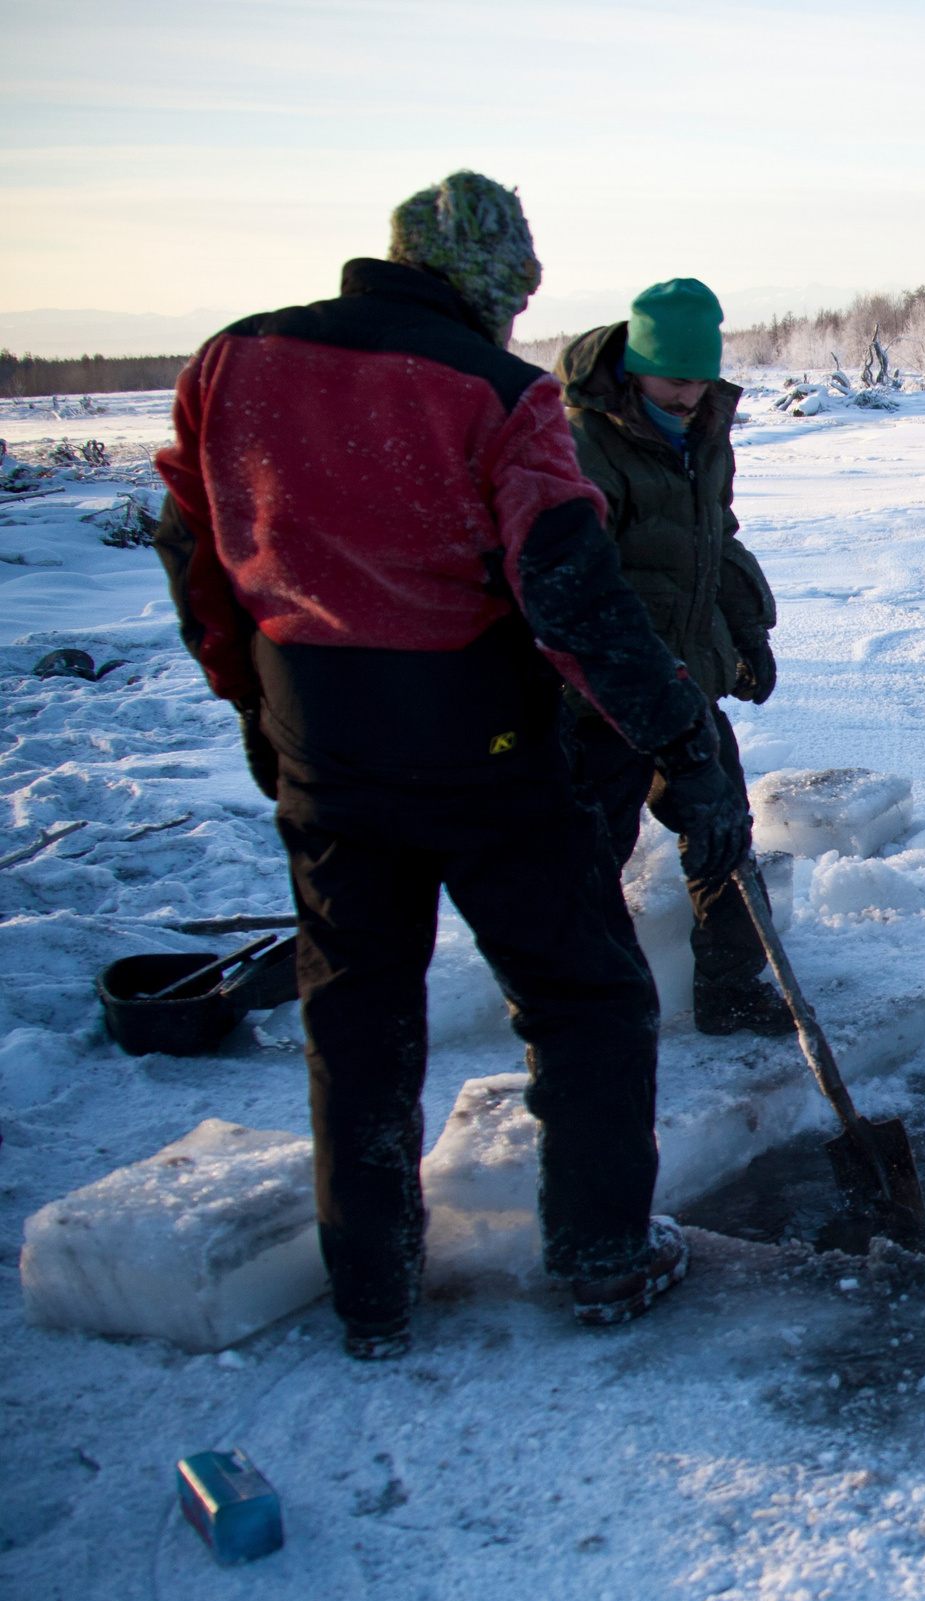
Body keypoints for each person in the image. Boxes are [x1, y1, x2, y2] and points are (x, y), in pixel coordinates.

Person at [153, 171, 753, 1358]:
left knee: (357, 1016)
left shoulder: (232, 361)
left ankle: (372, 1293)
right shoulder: (498, 392)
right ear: (492, 286)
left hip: (324, 744)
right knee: (587, 998)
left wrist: (255, 706)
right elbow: (573, 596)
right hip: (487, 755)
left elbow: (195, 548)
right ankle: (603, 1260)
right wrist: (679, 739)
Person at [553, 279, 791, 1037]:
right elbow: (576, 585)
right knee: (589, 856)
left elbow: (714, 537)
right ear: (636, 367)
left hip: (687, 681)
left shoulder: (706, 427)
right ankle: (588, 1022)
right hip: (603, 694)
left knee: (723, 828)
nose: (688, 395)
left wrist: (745, 629)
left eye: (700, 378)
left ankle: (731, 989)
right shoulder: (583, 444)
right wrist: (626, 681)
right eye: (673, 379)